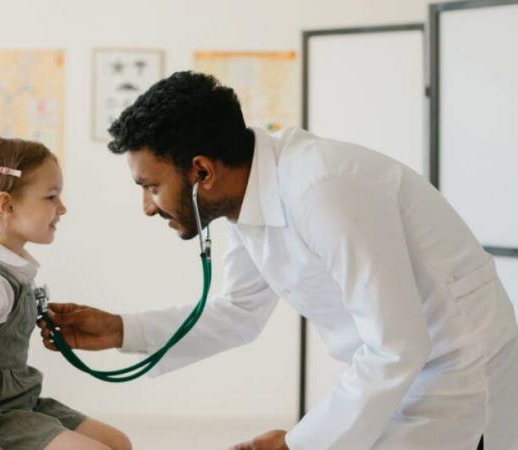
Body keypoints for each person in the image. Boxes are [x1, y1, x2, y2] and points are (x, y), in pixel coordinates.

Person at [40, 72, 518, 450]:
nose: (148, 206)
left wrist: (298, 442)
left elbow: (396, 347)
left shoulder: (321, 189)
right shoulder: (249, 194)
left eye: (150, 186)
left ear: (202, 171)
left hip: (458, 382)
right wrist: (121, 330)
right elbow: (237, 313)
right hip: (396, 381)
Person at [0, 134, 131, 450]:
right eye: (51, 197)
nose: (62, 208)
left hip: (19, 403)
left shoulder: (11, 271)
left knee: (118, 443)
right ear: (6, 205)